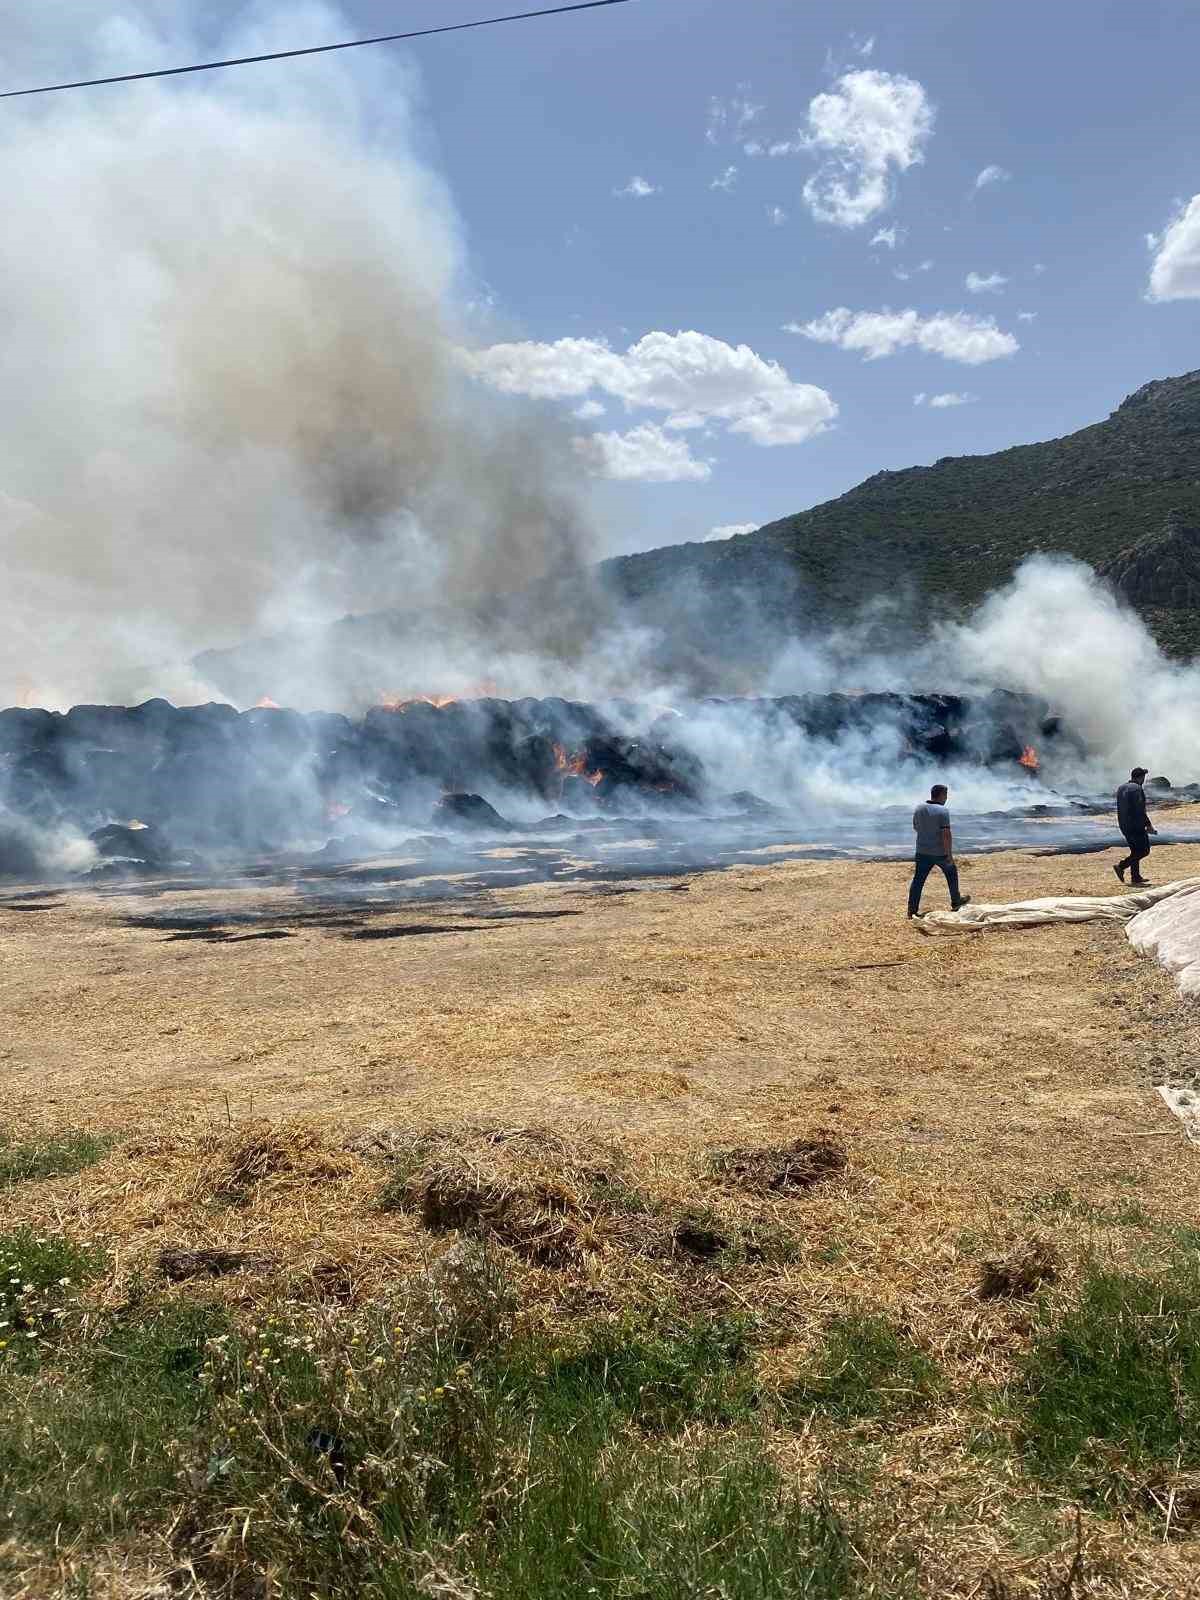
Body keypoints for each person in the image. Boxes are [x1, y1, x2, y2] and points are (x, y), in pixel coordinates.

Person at [908, 783, 972, 918]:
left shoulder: (919, 808)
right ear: (941, 795)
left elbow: (915, 827)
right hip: (939, 852)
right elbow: (946, 834)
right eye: (946, 795)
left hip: (922, 851)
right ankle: (956, 901)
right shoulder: (942, 811)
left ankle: (912, 910)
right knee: (951, 873)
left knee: (918, 881)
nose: (946, 798)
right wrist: (949, 855)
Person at [1114, 766, 1156, 885]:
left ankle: (1136, 877)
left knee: (1135, 851)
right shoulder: (1137, 789)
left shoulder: (1121, 788)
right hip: (1136, 825)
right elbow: (1140, 809)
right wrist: (1148, 825)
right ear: (1140, 777)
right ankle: (1121, 866)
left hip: (1124, 825)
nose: (1144, 780)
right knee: (1144, 851)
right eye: (1143, 777)